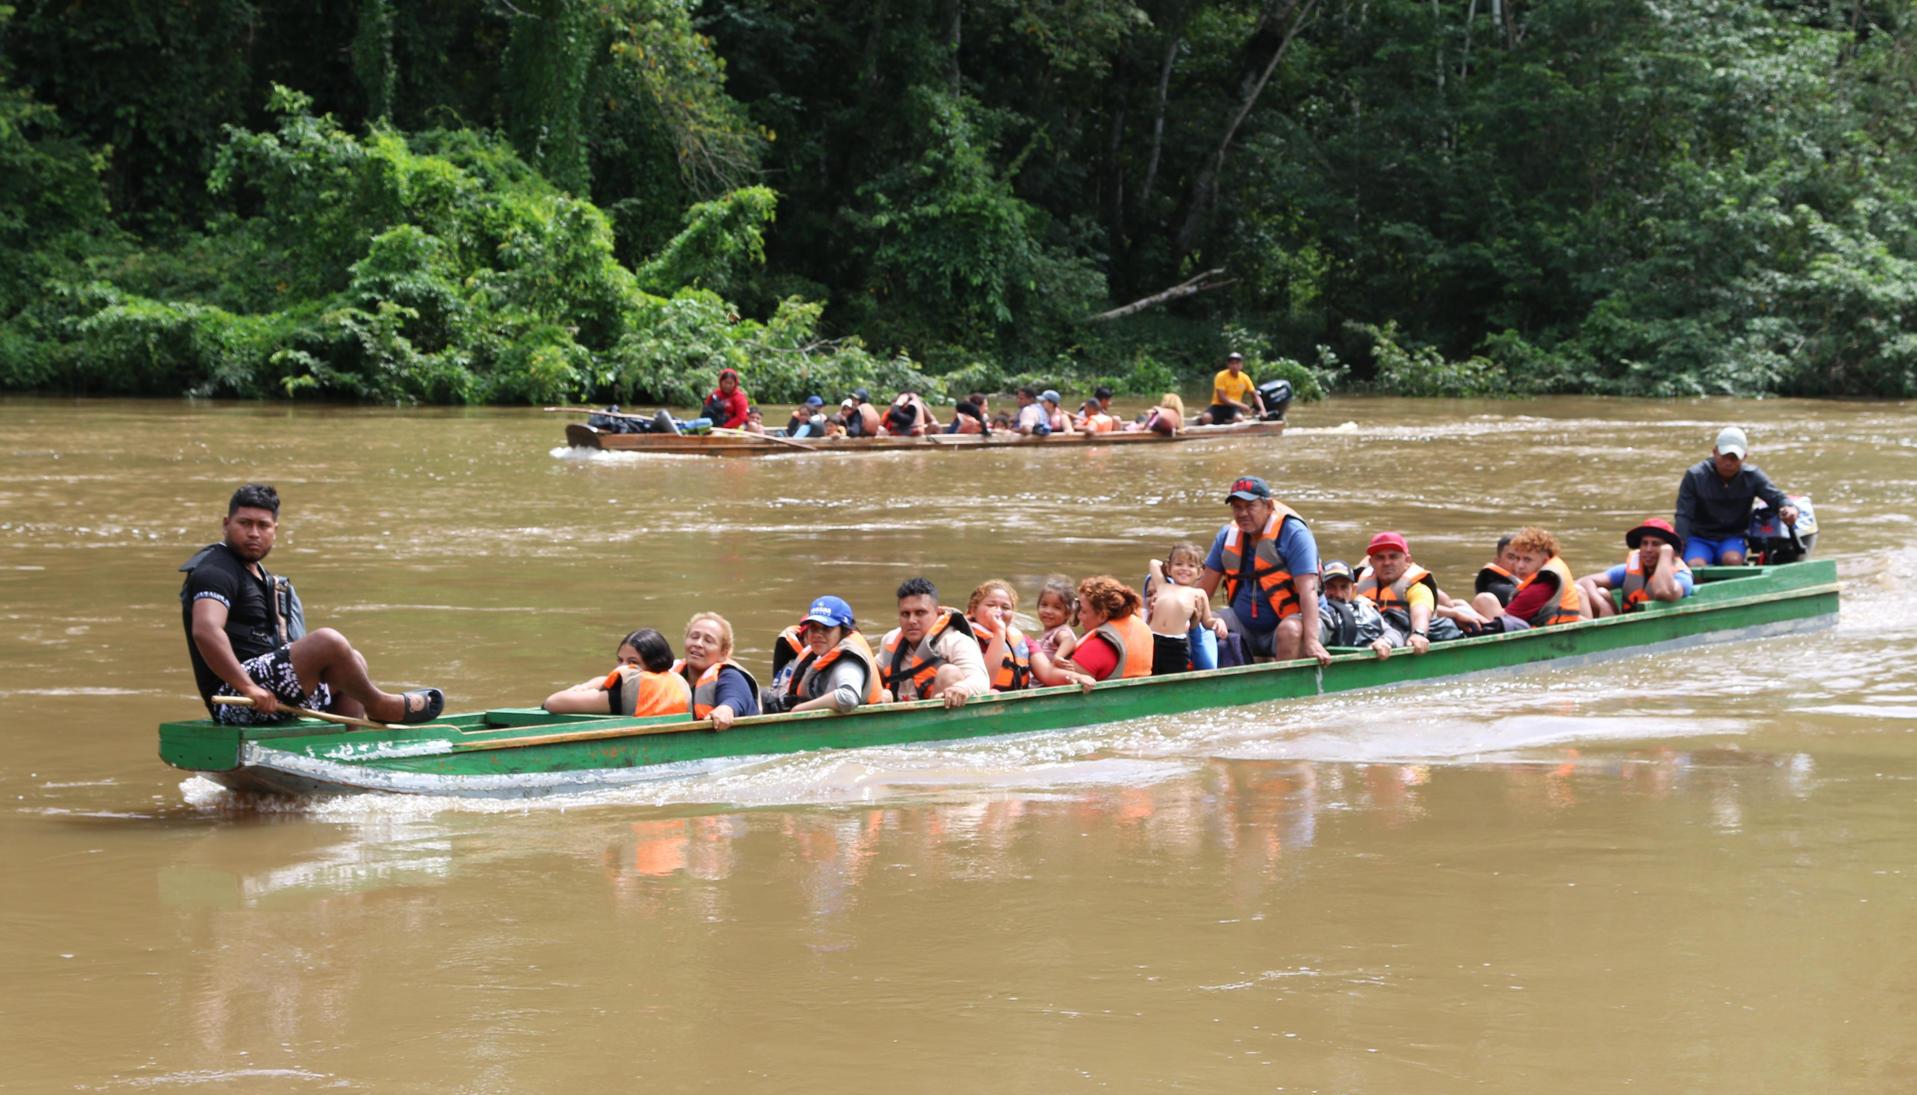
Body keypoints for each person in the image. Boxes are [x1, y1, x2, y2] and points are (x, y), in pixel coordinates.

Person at [180, 484, 444, 726]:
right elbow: (206, 630)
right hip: (235, 699)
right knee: (328, 642)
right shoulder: (215, 571)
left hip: (272, 691)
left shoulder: (258, 574)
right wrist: (248, 687)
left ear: (275, 530)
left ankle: (345, 750)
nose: (253, 533)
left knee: (353, 661)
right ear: (226, 524)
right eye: (244, 523)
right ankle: (381, 705)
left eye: (263, 525)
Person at [1196, 474, 1331, 665]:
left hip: (1299, 622)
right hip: (1245, 624)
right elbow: (1201, 593)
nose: (1242, 513)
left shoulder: (1294, 533)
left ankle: (1283, 690)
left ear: (1268, 506)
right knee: (1201, 626)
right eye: (1237, 507)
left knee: (1290, 631)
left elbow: (1308, 590)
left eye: (1250, 506)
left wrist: (1312, 641)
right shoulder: (1227, 536)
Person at [1675, 426, 1798, 566]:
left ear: (1744, 457)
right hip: (1699, 538)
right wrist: (1678, 547)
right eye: (1724, 456)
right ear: (1715, 452)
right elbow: (1683, 516)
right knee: (1695, 565)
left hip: (1733, 537)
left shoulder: (1753, 477)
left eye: (1734, 458)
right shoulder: (1695, 476)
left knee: (1732, 560)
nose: (1728, 462)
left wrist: (1788, 507)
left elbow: (1777, 497)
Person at [1354, 531, 1480, 653]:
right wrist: (1453, 614)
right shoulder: (1358, 585)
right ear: (1371, 562)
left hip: (1405, 633)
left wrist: (1418, 633)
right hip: (1376, 634)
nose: (1387, 563)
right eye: (1380, 558)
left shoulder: (1418, 587)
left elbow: (1421, 612)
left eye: (1393, 557)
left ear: (1407, 560)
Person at [876, 577, 991, 708]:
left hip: (938, 714)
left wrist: (961, 688)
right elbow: (875, 668)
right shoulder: (889, 639)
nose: (911, 620)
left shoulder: (957, 642)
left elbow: (980, 681)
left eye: (920, 613)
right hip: (898, 713)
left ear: (937, 613)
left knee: (949, 673)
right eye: (905, 614)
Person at [765, 596, 881, 714]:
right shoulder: (817, 655)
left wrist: (799, 709)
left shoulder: (848, 663)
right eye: (813, 628)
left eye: (827, 628)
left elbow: (848, 698)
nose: (818, 634)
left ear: (844, 631)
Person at [543, 628, 692, 717]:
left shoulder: (625, 692)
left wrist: (579, 690)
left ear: (653, 664)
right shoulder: (678, 682)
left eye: (632, 662)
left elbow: (552, 703)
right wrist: (585, 687)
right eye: (620, 660)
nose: (621, 668)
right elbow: (604, 679)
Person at [1469, 526, 1585, 629]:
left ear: (1543, 560)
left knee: (1483, 600)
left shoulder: (1542, 586)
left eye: (1527, 559)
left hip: (1546, 636)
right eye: (1517, 558)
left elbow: (1506, 617)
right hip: (1557, 628)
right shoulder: (1554, 566)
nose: (1519, 566)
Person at [1578, 518, 1695, 618]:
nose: (1648, 549)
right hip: (1625, 625)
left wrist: (1666, 554)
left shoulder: (1681, 576)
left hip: (1655, 625)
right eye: (1644, 543)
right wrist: (1603, 605)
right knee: (1600, 592)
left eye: (1655, 544)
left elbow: (1664, 592)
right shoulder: (1629, 569)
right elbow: (1584, 581)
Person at [674, 612, 761, 730]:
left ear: (723, 653)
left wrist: (726, 709)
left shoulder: (730, 676)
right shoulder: (672, 674)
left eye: (708, 641)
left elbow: (735, 699)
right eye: (694, 637)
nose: (698, 643)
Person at [1144, 545, 1220, 675]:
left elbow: (1207, 621)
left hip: (1175, 645)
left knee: (1174, 678)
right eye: (1179, 564)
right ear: (1169, 568)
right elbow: (1153, 563)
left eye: (1191, 566)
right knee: (1149, 675)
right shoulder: (1162, 585)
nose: (1184, 569)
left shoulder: (1198, 593)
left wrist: (1217, 622)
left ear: (1200, 572)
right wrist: (1169, 564)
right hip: (1152, 640)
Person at [1062, 576, 1154, 683]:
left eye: (1083, 611)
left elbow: (1056, 682)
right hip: (1137, 695)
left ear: (1102, 615)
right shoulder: (1138, 623)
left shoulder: (1096, 648)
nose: (1079, 616)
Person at [965, 580, 1032, 691]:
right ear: (972, 610)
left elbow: (1046, 672)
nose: (998, 611)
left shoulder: (1023, 640)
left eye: (1005, 608)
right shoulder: (963, 639)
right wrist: (999, 632)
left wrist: (1067, 675)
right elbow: (984, 684)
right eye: (991, 605)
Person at [1318, 560, 1392, 658]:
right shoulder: (1310, 611)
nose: (1338, 594)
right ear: (1319, 587)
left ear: (1353, 590)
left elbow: (1393, 633)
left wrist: (1384, 641)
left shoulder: (1365, 610)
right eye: (1330, 586)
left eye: (1344, 587)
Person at [1027, 576, 1081, 686]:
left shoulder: (1059, 632)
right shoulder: (1048, 633)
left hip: (1045, 686)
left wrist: (1058, 657)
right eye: (1044, 605)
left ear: (1068, 613)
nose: (1048, 611)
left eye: (1057, 608)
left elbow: (1069, 640)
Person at [1194, 352, 1266, 425]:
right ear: (1228, 365)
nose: (1234, 366)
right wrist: (1242, 405)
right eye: (1232, 363)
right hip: (1218, 406)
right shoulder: (1221, 376)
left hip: (1233, 408)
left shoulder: (1245, 378)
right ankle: (1223, 421)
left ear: (1241, 365)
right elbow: (1222, 398)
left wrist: (1263, 410)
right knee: (1206, 418)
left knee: (1239, 419)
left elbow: (1255, 395)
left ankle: (1227, 422)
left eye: (1237, 363)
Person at [1475, 532, 1521, 609]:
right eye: (1511, 557)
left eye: (1526, 559)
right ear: (1497, 561)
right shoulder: (1496, 589)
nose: (1519, 564)